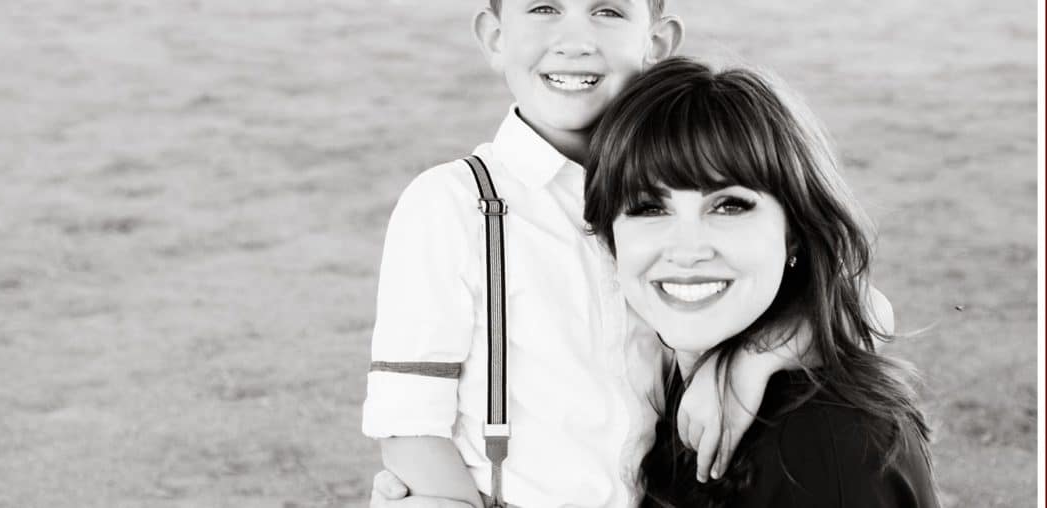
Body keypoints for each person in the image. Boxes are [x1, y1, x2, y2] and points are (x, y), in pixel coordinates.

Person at [362, 1, 891, 506]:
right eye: (544, 8)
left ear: (656, 42)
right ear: (495, 38)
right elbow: (409, 423)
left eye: (608, 11)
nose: (574, 41)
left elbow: (868, 310)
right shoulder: (453, 203)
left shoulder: (673, 178)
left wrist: (749, 361)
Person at [581, 57, 939, 507]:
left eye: (729, 206)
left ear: (794, 232)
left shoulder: (826, 442)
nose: (687, 249)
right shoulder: (659, 375)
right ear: (611, 239)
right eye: (650, 208)